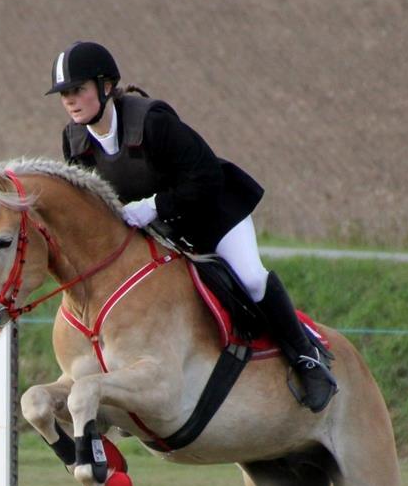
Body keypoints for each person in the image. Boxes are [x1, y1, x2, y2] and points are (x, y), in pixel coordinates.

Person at [47, 40, 337, 412]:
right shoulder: (74, 140)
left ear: (105, 87)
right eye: (64, 94)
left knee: (250, 278)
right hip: (164, 233)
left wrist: (153, 206)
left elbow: (206, 177)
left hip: (214, 216)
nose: (70, 101)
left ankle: (306, 358)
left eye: (78, 90)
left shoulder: (152, 122)